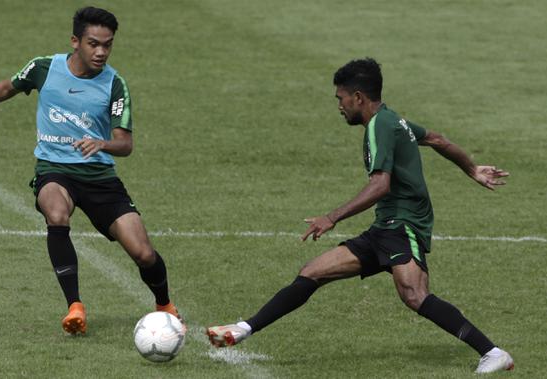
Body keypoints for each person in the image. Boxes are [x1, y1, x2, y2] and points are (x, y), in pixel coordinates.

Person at [206, 58, 513, 374]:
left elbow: (381, 185)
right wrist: (472, 169)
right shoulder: (394, 120)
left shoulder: (380, 127)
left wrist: (332, 216)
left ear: (358, 98)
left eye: (341, 98)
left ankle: (492, 352)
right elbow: (437, 140)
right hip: (385, 227)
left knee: (415, 295)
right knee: (313, 271)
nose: (339, 106)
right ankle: (243, 329)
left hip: (403, 224)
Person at [0, 7, 181, 335]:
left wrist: (102, 144)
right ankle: (74, 307)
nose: (101, 52)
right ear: (75, 41)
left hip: (100, 178)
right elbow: (7, 87)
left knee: (143, 253)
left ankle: (165, 305)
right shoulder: (44, 68)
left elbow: (125, 144)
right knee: (56, 212)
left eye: (108, 45)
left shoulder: (115, 84)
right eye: (94, 44)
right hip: (55, 171)